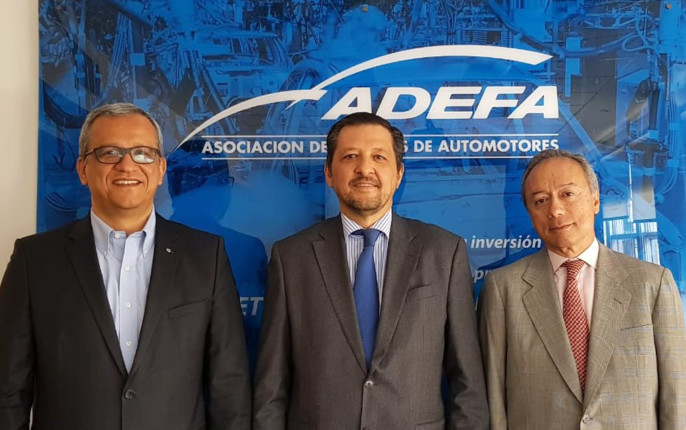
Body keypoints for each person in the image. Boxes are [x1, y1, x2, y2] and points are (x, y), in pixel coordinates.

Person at [0, 103, 251, 430]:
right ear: (83, 169)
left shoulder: (206, 256)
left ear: (161, 169)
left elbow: (229, 386)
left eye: (143, 153)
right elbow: (8, 390)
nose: (127, 165)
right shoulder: (34, 260)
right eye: (109, 153)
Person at [253, 112, 488, 429]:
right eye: (350, 156)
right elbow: (271, 386)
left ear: (399, 173)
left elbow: (468, 385)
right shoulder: (291, 257)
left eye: (379, 157)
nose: (365, 169)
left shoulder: (445, 252)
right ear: (329, 172)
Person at [479, 149, 686, 429]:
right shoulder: (503, 288)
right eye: (540, 200)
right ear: (530, 213)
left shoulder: (652, 283)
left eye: (568, 194)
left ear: (595, 200)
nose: (555, 210)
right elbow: (494, 400)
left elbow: (676, 396)